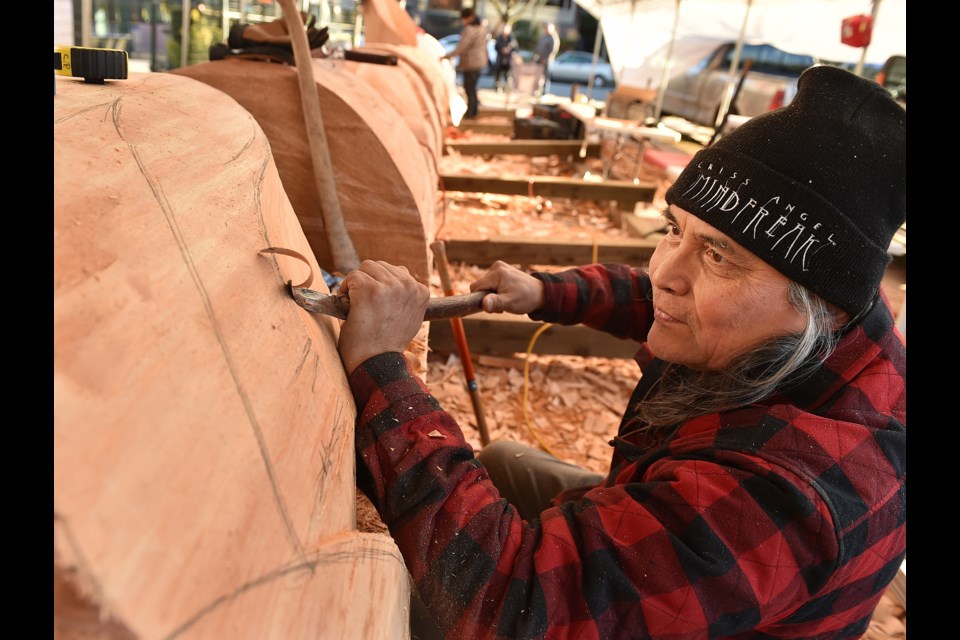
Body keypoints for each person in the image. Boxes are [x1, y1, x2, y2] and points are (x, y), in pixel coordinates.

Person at [336, 65, 906, 639]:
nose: (664, 271)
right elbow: (659, 296)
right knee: (506, 458)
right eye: (673, 229)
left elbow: (519, 603)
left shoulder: (790, 496)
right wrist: (545, 291)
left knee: (411, 611)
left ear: (822, 308)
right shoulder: (825, 318)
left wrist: (384, 370)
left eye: (717, 256)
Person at [441, 7, 489, 120]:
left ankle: (470, 113)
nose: (463, 21)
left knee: (469, 88)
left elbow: (461, 47)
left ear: (469, 18)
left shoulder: (470, 30)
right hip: (479, 62)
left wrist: (447, 56)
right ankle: (474, 111)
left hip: (471, 62)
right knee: (473, 88)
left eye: (464, 18)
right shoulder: (482, 27)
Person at [532, 22, 559, 94]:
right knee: (538, 76)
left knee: (546, 77)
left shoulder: (554, 38)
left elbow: (553, 50)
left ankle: (545, 92)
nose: (546, 30)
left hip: (547, 61)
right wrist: (536, 56)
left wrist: (546, 59)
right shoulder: (543, 36)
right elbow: (538, 47)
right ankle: (536, 90)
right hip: (539, 59)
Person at [492, 24, 518, 92]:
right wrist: (502, 49)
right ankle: (497, 87)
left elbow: (515, 48)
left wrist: (509, 50)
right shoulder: (499, 37)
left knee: (507, 75)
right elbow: (495, 47)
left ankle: (506, 88)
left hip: (508, 60)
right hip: (500, 58)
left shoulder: (512, 39)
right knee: (498, 74)